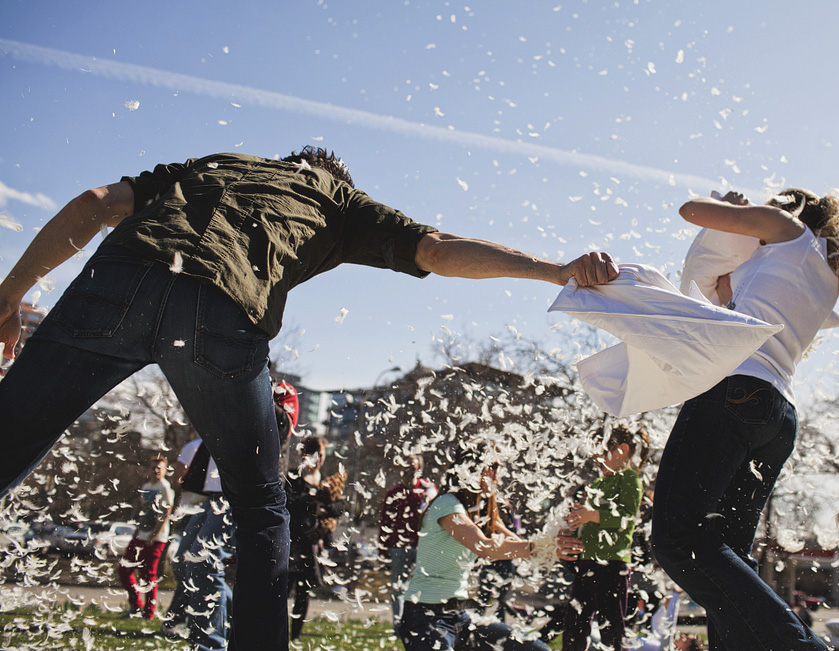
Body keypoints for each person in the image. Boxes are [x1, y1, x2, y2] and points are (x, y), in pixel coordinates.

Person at [0, 147, 618, 650]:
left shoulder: (214, 164)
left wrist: (10, 295)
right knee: (262, 507)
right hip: (221, 310)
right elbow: (435, 249)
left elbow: (94, 203)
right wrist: (554, 269)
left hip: (113, 284)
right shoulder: (337, 199)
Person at [649, 188, 839, 651]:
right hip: (776, 415)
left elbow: (690, 211)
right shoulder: (823, 278)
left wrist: (730, 206)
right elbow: (728, 295)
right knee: (725, 555)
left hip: (732, 393)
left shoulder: (786, 230)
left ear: (788, 208)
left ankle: (798, 645)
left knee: (677, 538)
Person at [398, 445, 582, 651]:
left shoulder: (476, 511)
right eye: (492, 467)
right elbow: (484, 547)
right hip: (425, 620)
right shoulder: (446, 505)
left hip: (460, 619)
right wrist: (541, 548)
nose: (496, 475)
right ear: (471, 468)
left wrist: (554, 543)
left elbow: (515, 543)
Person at [562, 426, 648, 651]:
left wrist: (591, 514)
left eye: (602, 453)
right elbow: (587, 521)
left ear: (623, 449)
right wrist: (572, 526)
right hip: (587, 560)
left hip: (612, 563)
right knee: (574, 620)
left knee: (610, 624)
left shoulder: (628, 478)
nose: (597, 459)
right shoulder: (598, 484)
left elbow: (628, 518)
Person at [162, 437, 236, 651]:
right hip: (211, 494)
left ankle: (210, 644)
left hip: (231, 493)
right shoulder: (204, 438)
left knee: (203, 563)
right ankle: (239, 619)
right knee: (183, 561)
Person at [285, 435, 348, 641]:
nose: (318, 459)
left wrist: (323, 507)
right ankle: (275, 631)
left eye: (321, 455)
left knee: (304, 592)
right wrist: (315, 505)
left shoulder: (328, 483)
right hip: (294, 542)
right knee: (283, 589)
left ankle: (295, 635)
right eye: (313, 454)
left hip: (314, 545)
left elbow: (340, 506)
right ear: (304, 454)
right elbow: (290, 503)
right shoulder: (293, 477)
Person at [379, 454, 438, 631]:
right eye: (406, 467)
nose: (409, 471)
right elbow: (385, 523)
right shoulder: (393, 494)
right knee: (398, 588)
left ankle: (421, 623)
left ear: (419, 469)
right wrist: (383, 550)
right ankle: (400, 626)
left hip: (423, 546)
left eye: (413, 467)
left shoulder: (427, 489)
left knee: (424, 586)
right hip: (398, 547)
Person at [118, 455, 174, 619]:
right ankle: (136, 605)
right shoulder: (147, 486)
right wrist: (138, 532)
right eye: (153, 467)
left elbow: (166, 513)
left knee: (148, 574)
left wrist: (153, 535)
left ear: (165, 470)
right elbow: (144, 512)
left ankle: (148, 612)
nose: (156, 470)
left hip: (156, 538)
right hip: (141, 534)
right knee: (124, 569)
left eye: (159, 468)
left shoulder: (166, 487)